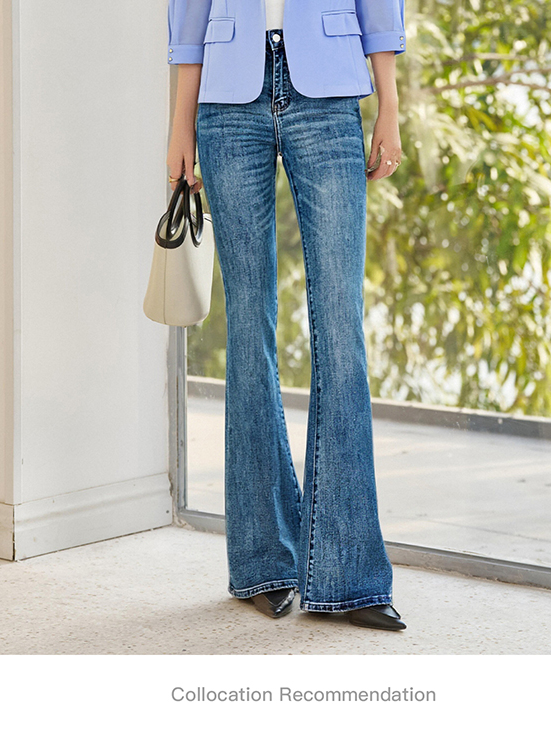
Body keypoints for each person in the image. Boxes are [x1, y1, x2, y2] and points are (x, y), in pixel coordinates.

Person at [166, 0, 407, 631]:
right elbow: (188, 11)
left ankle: (350, 576)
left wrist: (389, 103)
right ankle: (263, 562)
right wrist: (180, 123)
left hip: (328, 93)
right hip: (227, 100)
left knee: (341, 330)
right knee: (249, 332)